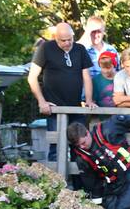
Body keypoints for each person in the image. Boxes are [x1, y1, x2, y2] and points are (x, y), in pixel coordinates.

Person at [27, 22, 95, 159]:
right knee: (56, 149)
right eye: (63, 40)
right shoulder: (46, 48)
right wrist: (42, 102)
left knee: (81, 148)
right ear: (55, 37)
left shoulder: (80, 49)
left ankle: (80, 180)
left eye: (70, 39)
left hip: (76, 108)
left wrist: (88, 100)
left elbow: (87, 77)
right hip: (54, 110)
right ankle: (57, 181)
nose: (67, 43)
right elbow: (32, 77)